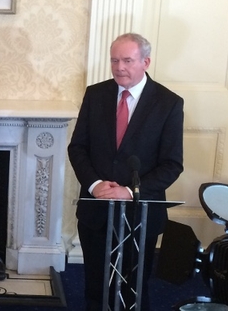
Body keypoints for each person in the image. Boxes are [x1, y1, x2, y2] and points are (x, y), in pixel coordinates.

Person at [68, 33, 184, 311]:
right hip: (96, 209)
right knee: (95, 284)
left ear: (146, 61)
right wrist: (95, 185)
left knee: (134, 286)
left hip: (140, 214)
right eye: (114, 60)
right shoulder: (96, 94)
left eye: (127, 60)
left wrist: (131, 191)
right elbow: (78, 148)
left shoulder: (168, 103)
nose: (119, 67)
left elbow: (172, 164)